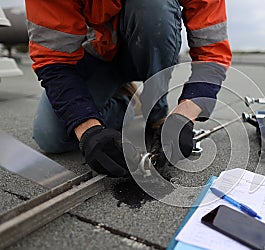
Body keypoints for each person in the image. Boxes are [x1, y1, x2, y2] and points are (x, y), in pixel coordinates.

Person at [25, 0, 232, 177]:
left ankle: (156, 109)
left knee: (153, 9)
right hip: (97, 55)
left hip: (150, 46)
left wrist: (184, 116)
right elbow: (53, 61)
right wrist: (89, 130)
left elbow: (212, 55)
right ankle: (127, 103)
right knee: (50, 135)